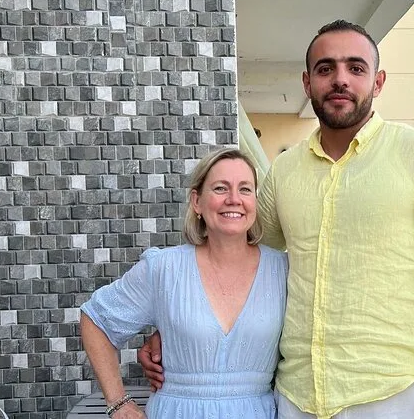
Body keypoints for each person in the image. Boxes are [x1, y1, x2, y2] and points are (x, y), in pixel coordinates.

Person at [140, 20, 414, 419]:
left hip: (394, 397)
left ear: (378, 81)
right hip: (297, 400)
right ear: (307, 83)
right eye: (326, 68)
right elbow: (241, 261)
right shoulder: (286, 171)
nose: (340, 79)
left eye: (356, 68)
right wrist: (177, 327)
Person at [80, 148, 288, 418]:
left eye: (245, 189)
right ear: (197, 201)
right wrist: (118, 403)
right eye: (221, 188)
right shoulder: (164, 269)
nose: (234, 199)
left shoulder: (282, 270)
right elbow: (96, 320)